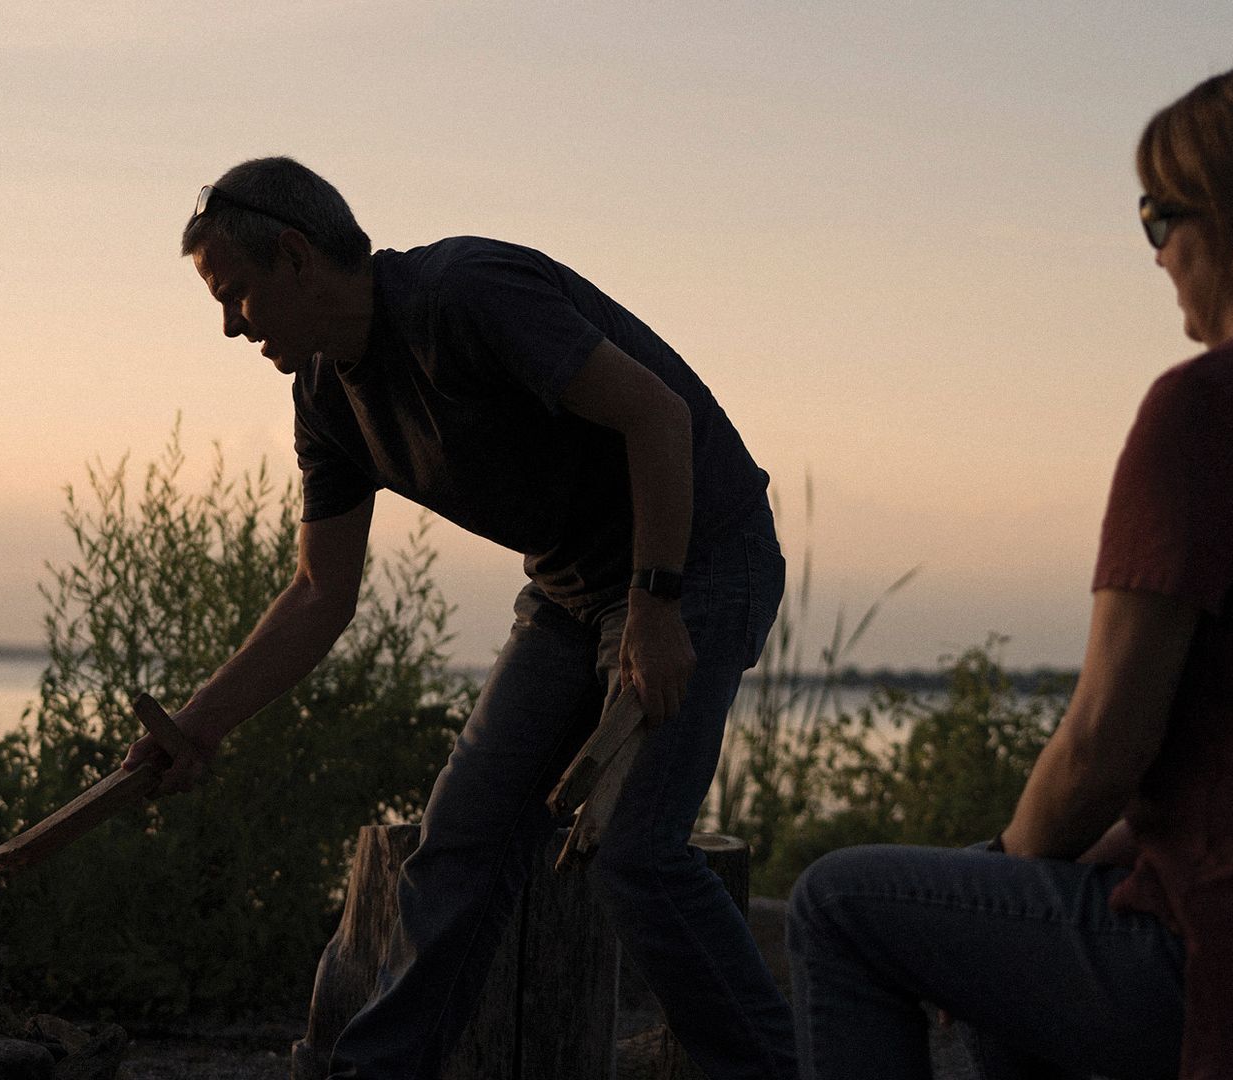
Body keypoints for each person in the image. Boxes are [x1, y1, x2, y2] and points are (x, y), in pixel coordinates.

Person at [122, 157, 796, 1079]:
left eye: (236, 296)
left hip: (698, 557)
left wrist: (653, 603)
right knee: (458, 844)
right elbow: (321, 593)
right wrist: (195, 726)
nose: (233, 326)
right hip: (568, 592)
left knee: (636, 853)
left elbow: (657, 416)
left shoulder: (466, 294)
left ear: (295, 257)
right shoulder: (325, 398)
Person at [785, 55, 1233, 1080]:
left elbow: (1103, 742)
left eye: (1161, 219)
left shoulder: (1212, 407)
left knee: (839, 904)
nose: (1155, 256)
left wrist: (1019, 859)